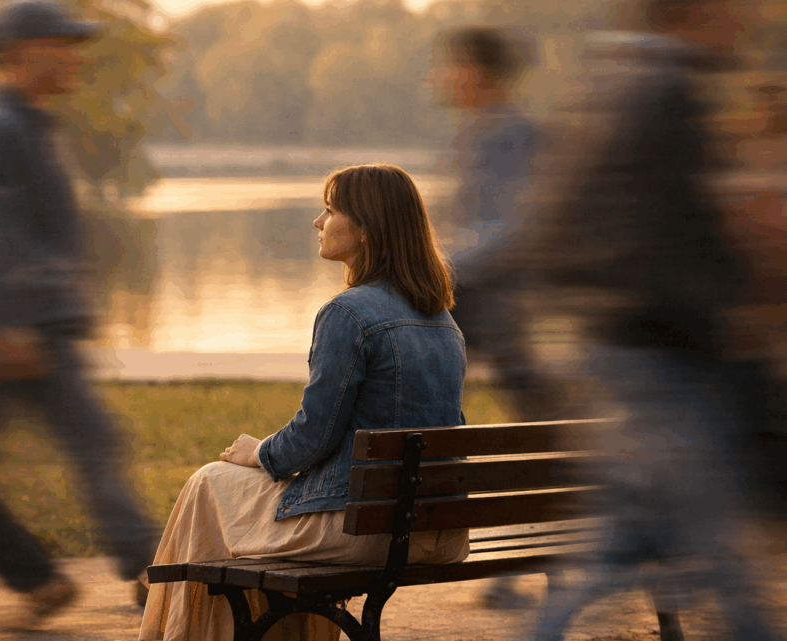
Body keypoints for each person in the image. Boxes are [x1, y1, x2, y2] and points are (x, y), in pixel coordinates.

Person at [529, 1, 783, 638]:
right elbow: (690, 242)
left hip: (634, 355)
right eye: (738, 14)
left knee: (618, 548)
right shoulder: (666, 92)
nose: (749, 25)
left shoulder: (620, 83)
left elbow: (563, 227)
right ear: (702, 12)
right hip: (664, 361)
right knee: (722, 552)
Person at [139, 163, 471, 641]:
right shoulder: (443, 321)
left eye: (331, 209)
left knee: (209, 483)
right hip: (438, 533)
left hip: (367, 534)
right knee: (228, 495)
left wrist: (259, 452)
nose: (317, 221)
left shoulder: (347, 313)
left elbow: (313, 438)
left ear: (366, 228)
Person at [0, 0, 161, 624]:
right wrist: (5, 322)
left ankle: (141, 572)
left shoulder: (32, 124)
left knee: (89, 444)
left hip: (36, 329)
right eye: (63, 43)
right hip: (7, 335)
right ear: (20, 52)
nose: (76, 55)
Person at [431, 26, 555, 611]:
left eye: (453, 64)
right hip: (482, 300)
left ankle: (528, 559)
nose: (443, 76)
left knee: (539, 434)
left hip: (494, 303)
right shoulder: (482, 133)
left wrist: (441, 264)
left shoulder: (509, 134)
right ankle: (521, 560)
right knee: (533, 431)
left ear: (480, 71)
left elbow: (513, 229)